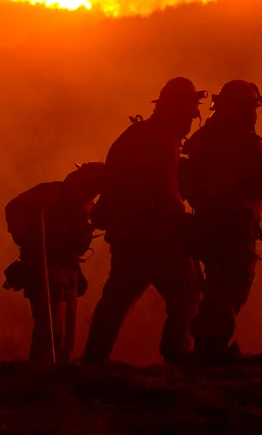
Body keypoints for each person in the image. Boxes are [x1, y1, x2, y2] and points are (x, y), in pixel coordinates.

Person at [82, 78, 206, 364]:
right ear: (178, 110)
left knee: (116, 299)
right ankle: (177, 353)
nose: (191, 120)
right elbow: (162, 188)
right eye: (190, 113)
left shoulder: (134, 134)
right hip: (158, 237)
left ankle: (94, 359)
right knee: (186, 293)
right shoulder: (163, 139)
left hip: (127, 235)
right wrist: (183, 221)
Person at [182, 80, 262, 362]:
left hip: (206, 222)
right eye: (252, 107)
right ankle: (211, 348)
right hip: (236, 227)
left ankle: (206, 344)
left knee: (217, 283)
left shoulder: (203, 139)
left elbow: (186, 178)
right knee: (232, 284)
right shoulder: (248, 144)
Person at [3, 163, 107, 364]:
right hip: (45, 264)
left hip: (68, 269)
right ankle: (41, 368)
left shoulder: (86, 205)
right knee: (50, 326)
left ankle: (59, 369)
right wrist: (25, 237)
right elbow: (14, 207)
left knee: (67, 333)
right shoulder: (51, 192)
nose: (94, 191)